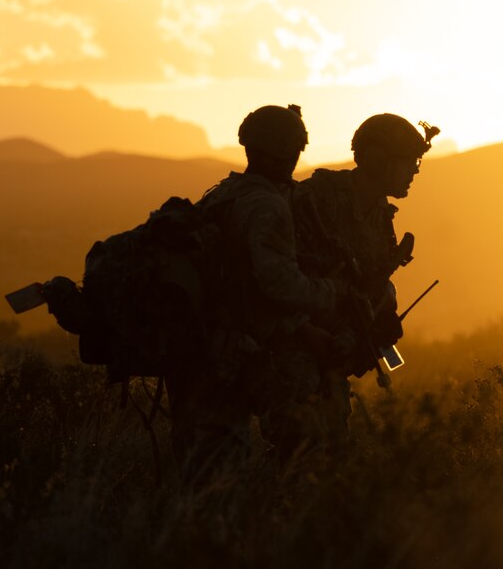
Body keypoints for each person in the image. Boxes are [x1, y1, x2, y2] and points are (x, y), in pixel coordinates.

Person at [172, 104, 350, 469]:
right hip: (233, 350)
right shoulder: (267, 205)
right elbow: (280, 284)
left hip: (200, 344)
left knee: (202, 472)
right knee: (301, 452)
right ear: (289, 151)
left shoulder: (223, 193)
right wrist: (331, 291)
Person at [282, 113, 438, 456]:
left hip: (330, 358)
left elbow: (372, 283)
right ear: (378, 160)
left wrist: (381, 313)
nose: (414, 171)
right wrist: (309, 332)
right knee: (299, 455)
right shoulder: (316, 201)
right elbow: (276, 280)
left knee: (330, 457)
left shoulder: (380, 217)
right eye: (409, 161)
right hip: (291, 354)